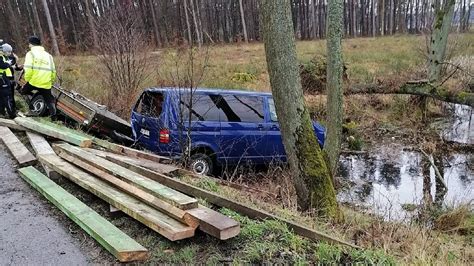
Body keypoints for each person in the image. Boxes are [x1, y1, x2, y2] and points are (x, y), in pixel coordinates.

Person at [21, 36, 57, 117]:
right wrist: (51, 80)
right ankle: (54, 118)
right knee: (49, 100)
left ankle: (32, 109)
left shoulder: (30, 54)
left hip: (34, 80)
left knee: (23, 91)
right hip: (46, 82)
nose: (29, 45)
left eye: (29, 44)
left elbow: (28, 68)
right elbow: (53, 70)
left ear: (31, 44)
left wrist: (27, 79)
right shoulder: (49, 55)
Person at [0, 43, 16, 118]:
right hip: (3, 79)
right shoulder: (0, 57)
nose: (10, 53)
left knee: (2, 97)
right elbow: (3, 66)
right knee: (7, 97)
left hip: (4, 78)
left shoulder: (4, 57)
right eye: (8, 52)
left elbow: (12, 60)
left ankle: (2, 113)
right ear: (4, 51)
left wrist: (12, 61)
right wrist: (8, 64)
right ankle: (12, 114)